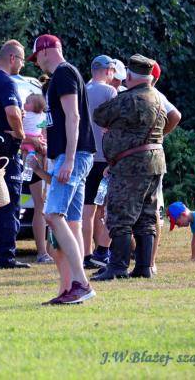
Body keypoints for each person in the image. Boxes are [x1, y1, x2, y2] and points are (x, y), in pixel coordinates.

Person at [30, 34, 97, 305]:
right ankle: (69, 288)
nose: (36, 63)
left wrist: (68, 159)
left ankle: (81, 283)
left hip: (75, 156)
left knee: (52, 215)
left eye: (36, 57)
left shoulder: (63, 73)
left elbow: (73, 116)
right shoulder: (64, 75)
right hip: (75, 155)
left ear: (46, 51)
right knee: (72, 222)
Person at [91, 54, 167, 282]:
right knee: (146, 216)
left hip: (130, 165)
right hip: (155, 162)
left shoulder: (130, 98)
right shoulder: (157, 97)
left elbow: (99, 115)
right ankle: (143, 267)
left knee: (120, 216)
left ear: (131, 77)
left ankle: (118, 266)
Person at [0, 40, 30, 269]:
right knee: (8, 204)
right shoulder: (7, 82)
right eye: (21, 59)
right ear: (12, 58)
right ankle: (5, 257)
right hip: (5, 155)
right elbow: (12, 113)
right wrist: (20, 134)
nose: (22, 64)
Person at [148, 60, 182, 274]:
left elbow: (176, 115)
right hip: (152, 156)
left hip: (149, 157)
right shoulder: (156, 94)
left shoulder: (154, 94)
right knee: (152, 207)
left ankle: (150, 259)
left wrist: (160, 135)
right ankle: (147, 258)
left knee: (153, 208)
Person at [83, 55, 117, 270]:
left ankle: (86, 255)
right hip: (105, 158)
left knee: (87, 211)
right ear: (108, 71)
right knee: (106, 209)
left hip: (86, 156)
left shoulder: (82, 89)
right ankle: (102, 251)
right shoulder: (110, 91)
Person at [22, 93, 52, 264]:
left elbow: (45, 138)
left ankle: (47, 251)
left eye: (27, 102)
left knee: (44, 206)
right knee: (41, 206)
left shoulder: (43, 118)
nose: (24, 104)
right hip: (35, 163)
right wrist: (33, 142)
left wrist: (41, 145)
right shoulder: (26, 116)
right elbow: (17, 136)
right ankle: (43, 252)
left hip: (42, 162)